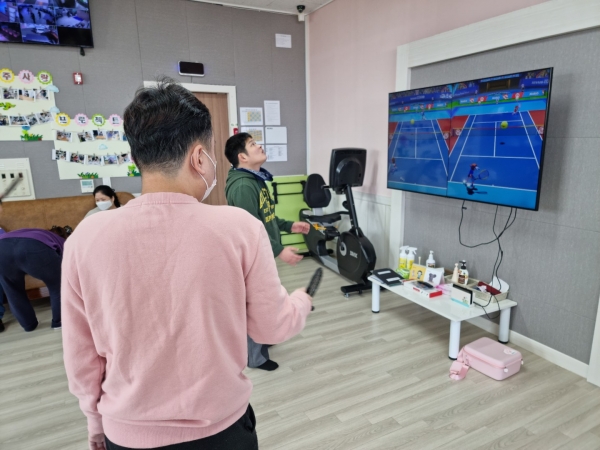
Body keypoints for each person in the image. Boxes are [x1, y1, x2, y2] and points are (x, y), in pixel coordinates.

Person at [62, 79, 312, 450]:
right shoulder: (240, 228)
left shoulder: (86, 237)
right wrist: (301, 302)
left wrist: (95, 422)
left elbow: (82, 355)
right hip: (222, 431)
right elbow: (272, 326)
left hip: (126, 433)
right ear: (198, 158)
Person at [224, 132, 310, 372]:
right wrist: (280, 250)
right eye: (252, 144)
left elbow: (266, 217)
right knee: (255, 305)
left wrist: (289, 226)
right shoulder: (243, 186)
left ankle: (264, 336)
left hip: (262, 255)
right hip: (253, 258)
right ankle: (255, 357)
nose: (259, 146)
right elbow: (251, 230)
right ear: (242, 156)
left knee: (265, 302)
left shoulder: (254, 179)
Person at [0, 226, 69, 331]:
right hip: (33, 248)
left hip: (2, 248)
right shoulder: (62, 241)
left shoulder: (37, 232)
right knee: (58, 285)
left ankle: (28, 325)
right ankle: (59, 321)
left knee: (13, 291)